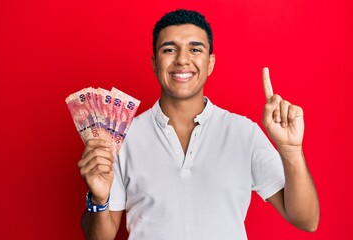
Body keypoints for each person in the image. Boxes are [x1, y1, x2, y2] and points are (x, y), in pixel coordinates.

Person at [78, 9, 319, 240]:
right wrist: (99, 200)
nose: (182, 59)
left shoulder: (244, 133)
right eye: (169, 49)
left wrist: (291, 152)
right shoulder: (123, 138)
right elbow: (101, 237)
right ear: (154, 63)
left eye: (195, 49)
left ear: (210, 63)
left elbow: (307, 220)